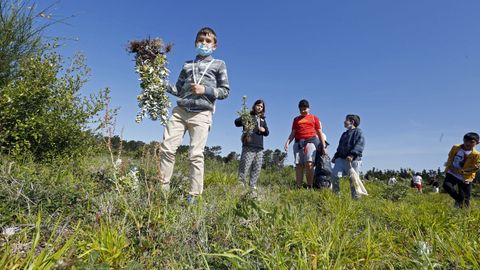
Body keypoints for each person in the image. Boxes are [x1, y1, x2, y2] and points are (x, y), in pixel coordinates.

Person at [158, 27, 230, 203]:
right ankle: (162, 189)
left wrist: (204, 89)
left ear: (214, 45)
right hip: (181, 111)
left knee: (195, 154)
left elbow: (225, 91)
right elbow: (178, 89)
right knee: (166, 149)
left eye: (208, 41)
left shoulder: (219, 64)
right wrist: (159, 82)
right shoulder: (187, 65)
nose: (203, 43)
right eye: (200, 40)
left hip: (202, 113)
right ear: (195, 42)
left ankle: (194, 196)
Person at [284, 99, 327, 188]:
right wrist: (287, 142)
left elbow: (319, 132)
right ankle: (298, 186)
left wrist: (323, 145)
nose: (303, 111)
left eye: (305, 109)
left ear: (309, 108)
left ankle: (309, 185)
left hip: (310, 141)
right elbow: (293, 132)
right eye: (301, 109)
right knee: (299, 164)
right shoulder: (296, 119)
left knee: (309, 163)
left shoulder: (314, 118)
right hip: (298, 142)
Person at [235, 100, 269, 196]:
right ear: (254, 106)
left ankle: (252, 186)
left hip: (260, 147)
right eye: (258, 105)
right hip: (249, 145)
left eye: (261, 107)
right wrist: (244, 119)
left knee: (257, 167)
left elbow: (267, 133)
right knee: (245, 166)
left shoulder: (262, 120)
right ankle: (240, 185)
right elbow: (236, 123)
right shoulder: (248, 116)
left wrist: (263, 130)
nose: (259, 107)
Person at [331, 114, 365, 198]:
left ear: (352, 121)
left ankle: (356, 199)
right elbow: (340, 147)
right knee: (334, 176)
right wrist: (335, 156)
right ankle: (336, 196)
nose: (344, 122)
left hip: (353, 160)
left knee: (353, 180)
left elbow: (360, 144)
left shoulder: (358, 132)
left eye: (346, 120)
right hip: (341, 159)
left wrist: (352, 155)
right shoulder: (344, 134)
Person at [443, 132, 480, 208]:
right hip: (452, 172)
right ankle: (459, 199)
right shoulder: (456, 147)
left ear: (477, 142)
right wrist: (449, 166)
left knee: (466, 197)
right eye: (465, 140)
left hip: (466, 177)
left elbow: (475, 167)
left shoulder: (476, 154)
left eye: (471, 142)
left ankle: (465, 213)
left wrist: (475, 168)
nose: (468, 143)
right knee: (446, 185)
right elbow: (450, 157)